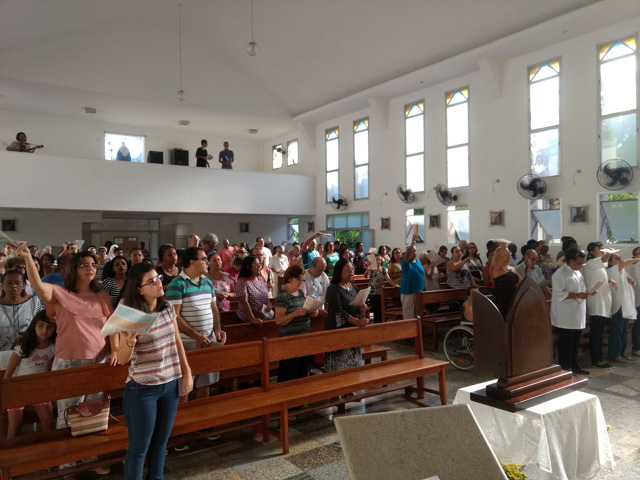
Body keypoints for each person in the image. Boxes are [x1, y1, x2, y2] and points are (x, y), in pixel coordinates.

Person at [18, 244, 117, 463]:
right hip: (69, 362)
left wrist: (115, 351)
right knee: (69, 413)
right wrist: (27, 258)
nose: (90, 268)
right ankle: (66, 463)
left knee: (92, 412)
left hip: (98, 362)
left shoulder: (102, 296)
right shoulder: (60, 293)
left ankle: (90, 457)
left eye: (93, 265)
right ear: (74, 268)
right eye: (84, 265)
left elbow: (112, 328)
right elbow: (37, 285)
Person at [117, 263, 193, 480]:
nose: (159, 282)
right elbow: (122, 359)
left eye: (158, 277)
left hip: (169, 384)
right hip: (143, 389)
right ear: (139, 289)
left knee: (160, 443)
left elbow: (176, 339)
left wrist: (187, 372)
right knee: (139, 448)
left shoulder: (166, 307)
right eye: (151, 281)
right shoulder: (131, 315)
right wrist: (130, 342)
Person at [166, 247, 226, 400]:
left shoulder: (207, 282)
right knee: (184, 387)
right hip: (187, 343)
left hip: (208, 340)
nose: (207, 262)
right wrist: (195, 336)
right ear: (192, 262)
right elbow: (174, 317)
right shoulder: (177, 284)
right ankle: (184, 416)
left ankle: (204, 415)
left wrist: (218, 330)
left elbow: (214, 309)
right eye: (204, 259)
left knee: (204, 384)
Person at [4, 311, 56, 438]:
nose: (45, 330)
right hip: (18, 389)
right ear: (34, 326)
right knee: (14, 429)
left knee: (49, 424)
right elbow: (8, 373)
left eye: (49, 326)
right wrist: (5, 393)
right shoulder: (24, 346)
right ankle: (12, 450)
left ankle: (48, 448)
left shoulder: (53, 347)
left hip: (39, 389)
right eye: (41, 325)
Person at [550, 248, 592, 375]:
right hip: (565, 315)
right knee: (566, 343)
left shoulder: (577, 272)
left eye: (582, 264)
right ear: (570, 261)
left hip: (577, 313)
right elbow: (558, 293)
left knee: (575, 342)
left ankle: (575, 365)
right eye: (578, 263)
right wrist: (577, 295)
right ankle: (565, 367)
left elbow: (581, 288)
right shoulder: (560, 274)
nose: (580, 266)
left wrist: (588, 292)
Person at [274, 265, 318, 382]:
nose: (301, 283)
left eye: (303, 280)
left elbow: (304, 311)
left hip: (303, 339)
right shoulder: (283, 296)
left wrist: (312, 312)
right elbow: (278, 321)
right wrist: (296, 313)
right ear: (289, 278)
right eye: (298, 279)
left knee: (301, 373)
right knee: (289, 374)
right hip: (289, 342)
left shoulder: (300, 293)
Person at [324, 259, 369, 372]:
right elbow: (339, 312)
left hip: (353, 332)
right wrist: (357, 322)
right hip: (338, 331)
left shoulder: (353, 287)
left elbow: (357, 306)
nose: (351, 271)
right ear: (339, 271)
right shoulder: (333, 288)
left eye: (352, 269)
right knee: (340, 368)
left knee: (354, 367)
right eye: (347, 269)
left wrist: (362, 308)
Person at [0, 270, 45, 367]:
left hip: (28, 353)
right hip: (2, 355)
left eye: (17, 283)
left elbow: (41, 325)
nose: (13, 286)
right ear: (2, 285)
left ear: (24, 285)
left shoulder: (34, 302)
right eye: (9, 283)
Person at [584, 242, 614, 369]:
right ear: (591, 252)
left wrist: (609, 280)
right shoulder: (590, 263)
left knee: (600, 332)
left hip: (603, 301)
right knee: (596, 333)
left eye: (603, 248)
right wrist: (608, 253)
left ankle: (600, 358)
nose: (602, 250)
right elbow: (604, 258)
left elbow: (600, 276)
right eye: (599, 249)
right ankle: (595, 359)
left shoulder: (600, 264)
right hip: (596, 302)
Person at [607, 252, 640, 363]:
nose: (620, 259)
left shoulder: (622, 270)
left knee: (624, 330)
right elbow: (626, 262)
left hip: (625, 304)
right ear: (611, 262)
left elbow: (633, 283)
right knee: (617, 330)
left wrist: (632, 282)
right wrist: (638, 259)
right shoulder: (612, 270)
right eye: (617, 258)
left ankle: (622, 353)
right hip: (618, 304)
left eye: (620, 257)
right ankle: (614, 354)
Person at [234, 255, 271, 325]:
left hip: (262, 318)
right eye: (256, 265)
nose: (259, 267)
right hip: (247, 321)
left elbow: (265, 294)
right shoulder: (242, 282)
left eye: (259, 264)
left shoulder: (261, 279)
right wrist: (252, 318)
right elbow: (244, 302)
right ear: (248, 267)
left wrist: (268, 304)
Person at [490, 244, 521, 319]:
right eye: (507, 252)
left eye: (509, 252)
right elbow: (498, 261)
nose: (510, 253)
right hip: (501, 300)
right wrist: (503, 246)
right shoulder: (497, 268)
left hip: (512, 299)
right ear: (501, 255)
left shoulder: (512, 268)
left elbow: (521, 281)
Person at [400, 235, 425, 319]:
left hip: (419, 292)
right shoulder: (405, 262)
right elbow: (406, 257)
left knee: (418, 314)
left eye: (415, 251)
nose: (414, 252)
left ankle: (418, 328)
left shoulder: (418, 261)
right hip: (409, 292)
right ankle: (409, 328)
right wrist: (412, 244)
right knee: (409, 315)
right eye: (412, 251)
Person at [365, 254, 394, 323]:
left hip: (380, 292)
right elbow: (365, 276)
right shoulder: (371, 269)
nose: (378, 261)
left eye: (379, 260)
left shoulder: (383, 269)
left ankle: (381, 323)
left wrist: (394, 284)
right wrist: (368, 267)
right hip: (372, 292)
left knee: (381, 309)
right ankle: (377, 323)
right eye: (376, 260)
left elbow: (388, 279)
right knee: (375, 309)